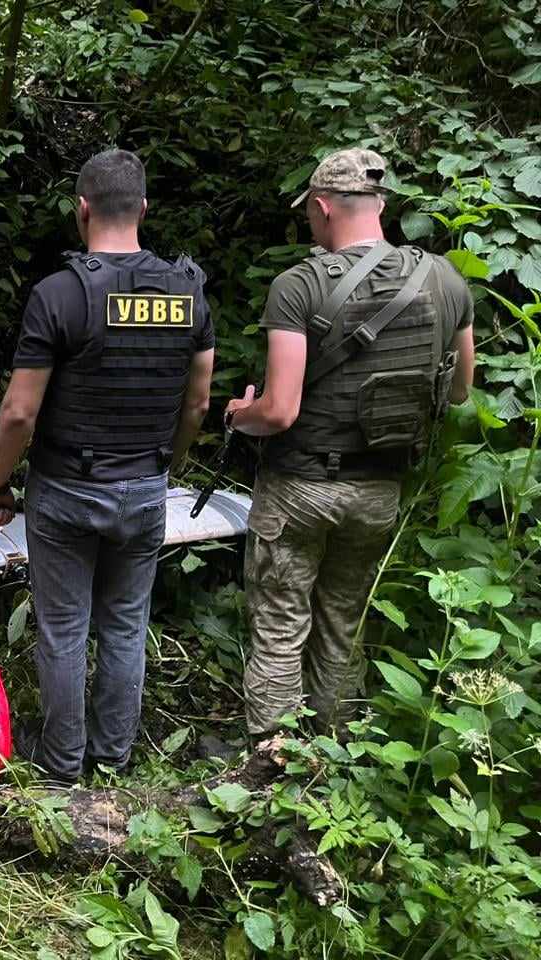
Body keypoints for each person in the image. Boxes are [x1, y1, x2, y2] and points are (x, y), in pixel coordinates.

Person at [0, 147, 215, 783]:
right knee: (125, 626)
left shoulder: (60, 294)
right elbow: (197, 400)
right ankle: (111, 760)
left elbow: (19, 413)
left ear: (81, 210)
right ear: (143, 208)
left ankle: (60, 766)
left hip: (66, 491)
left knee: (63, 630)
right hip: (144, 487)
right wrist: (170, 462)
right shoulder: (188, 290)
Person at [225, 147, 474, 739]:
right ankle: (338, 754)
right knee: (342, 621)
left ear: (321, 207)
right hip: (380, 489)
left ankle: (274, 764)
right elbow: (461, 390)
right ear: (381, 204)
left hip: (300, 488)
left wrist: (239, 415)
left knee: (282, 624)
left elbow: (280, 410)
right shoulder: (443, 278)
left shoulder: (298, 285)